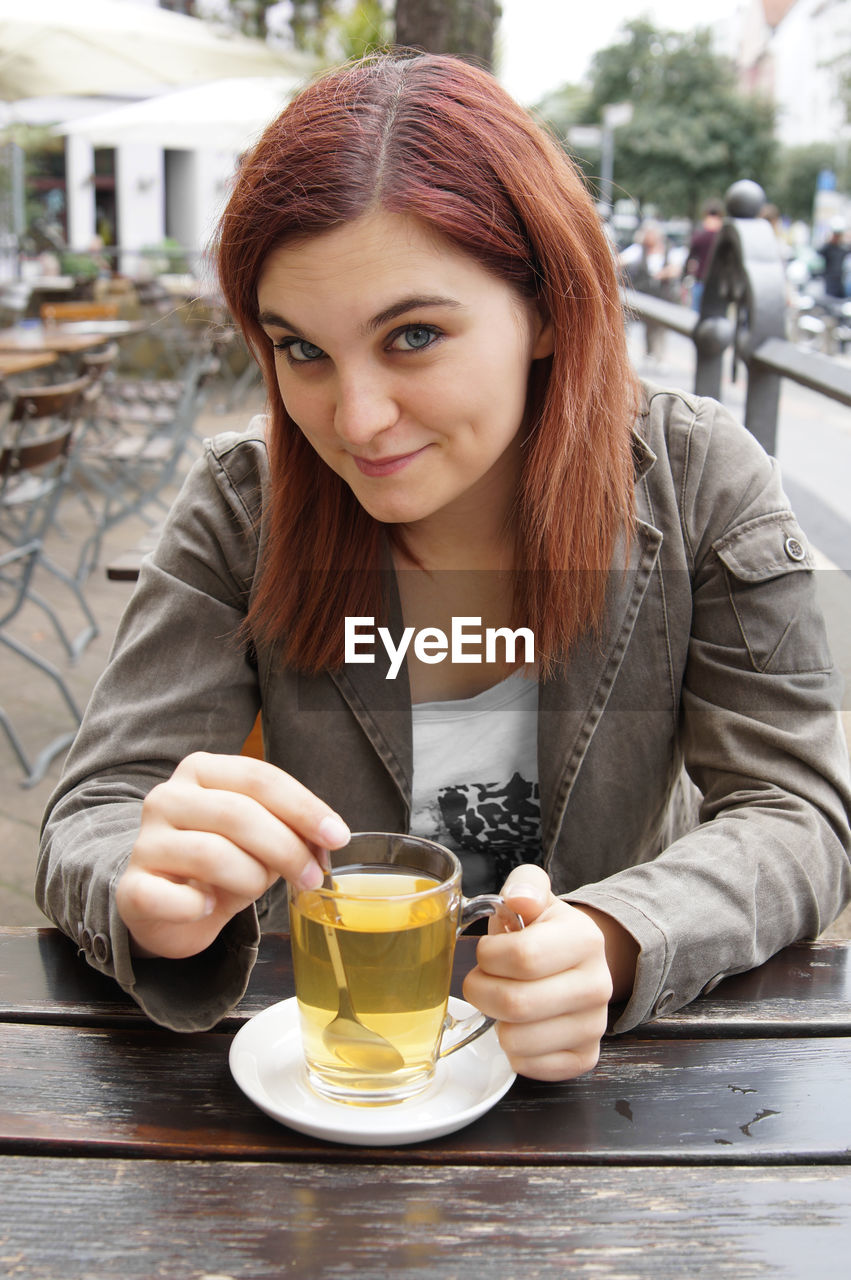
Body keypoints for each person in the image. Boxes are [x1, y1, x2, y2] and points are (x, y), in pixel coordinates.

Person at [37, 53, 851, 1084]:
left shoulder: (698, 480)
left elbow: (798, 813)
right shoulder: (244, 506)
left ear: (548, 309)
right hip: (328, 1080)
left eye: (412, 335)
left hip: (617, 1097)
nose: (356, 418)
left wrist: (616, 934)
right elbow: (95, 809)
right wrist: (139, 892)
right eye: (301, 350)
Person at [618, 220, 685, 363]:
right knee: (625, 321)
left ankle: (657, 356)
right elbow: (619, 260)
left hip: (661, 296)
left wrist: (663, 273)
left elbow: (676, 269)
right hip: (641, 296)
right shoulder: (638, 250)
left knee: (658, 329)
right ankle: (625, 354)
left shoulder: (669, 250)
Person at [684, 199, 724, 311]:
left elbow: (690, 257)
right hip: (718, 283)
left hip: (701, 280)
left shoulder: (701, 234)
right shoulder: (722, 235)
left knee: (696, 316)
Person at [817, 220, 850, 301]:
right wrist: (829, 240)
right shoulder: (828, 248)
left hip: (840, 282)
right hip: (830, 282)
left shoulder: (843, 248)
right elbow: (819, 251)